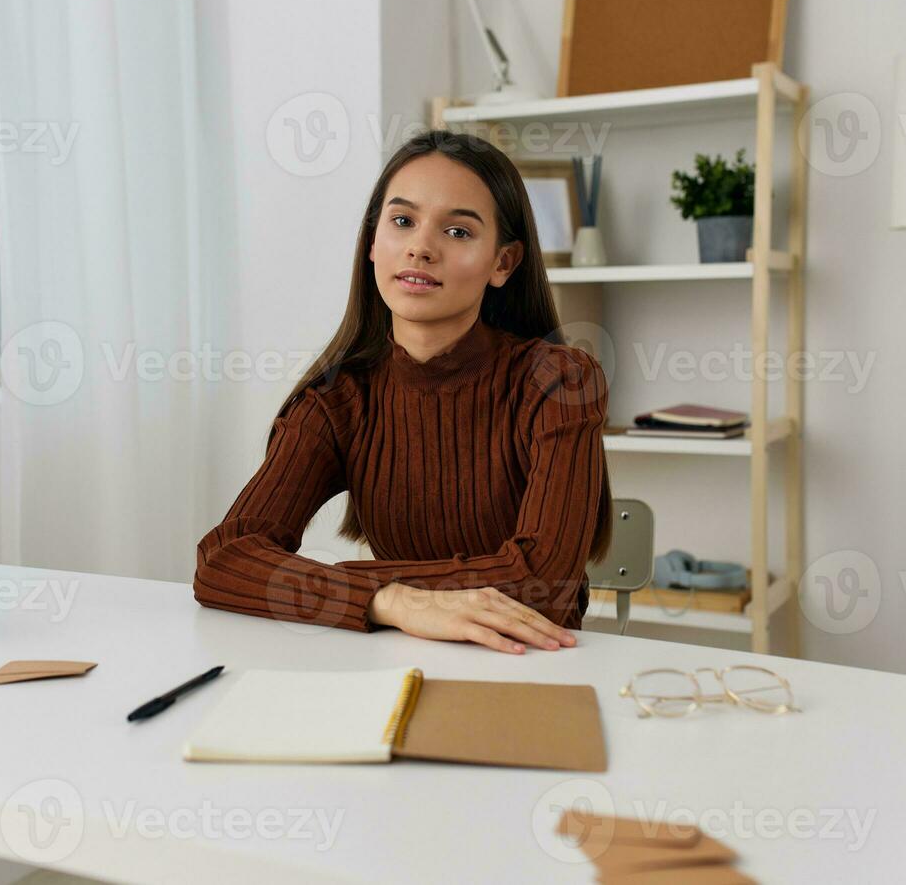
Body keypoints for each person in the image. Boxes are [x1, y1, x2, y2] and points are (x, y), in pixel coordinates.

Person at [193, 129, 613, 654]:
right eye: (402, 221)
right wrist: (392, 601)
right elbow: (223, 561)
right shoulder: (338, 398)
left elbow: (543, 585)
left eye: (458, 232)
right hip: (392, 658)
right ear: (373, 244)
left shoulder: (559, 381)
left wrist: (357, 584)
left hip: (530, 667)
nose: (420, 247)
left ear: (502, 263)